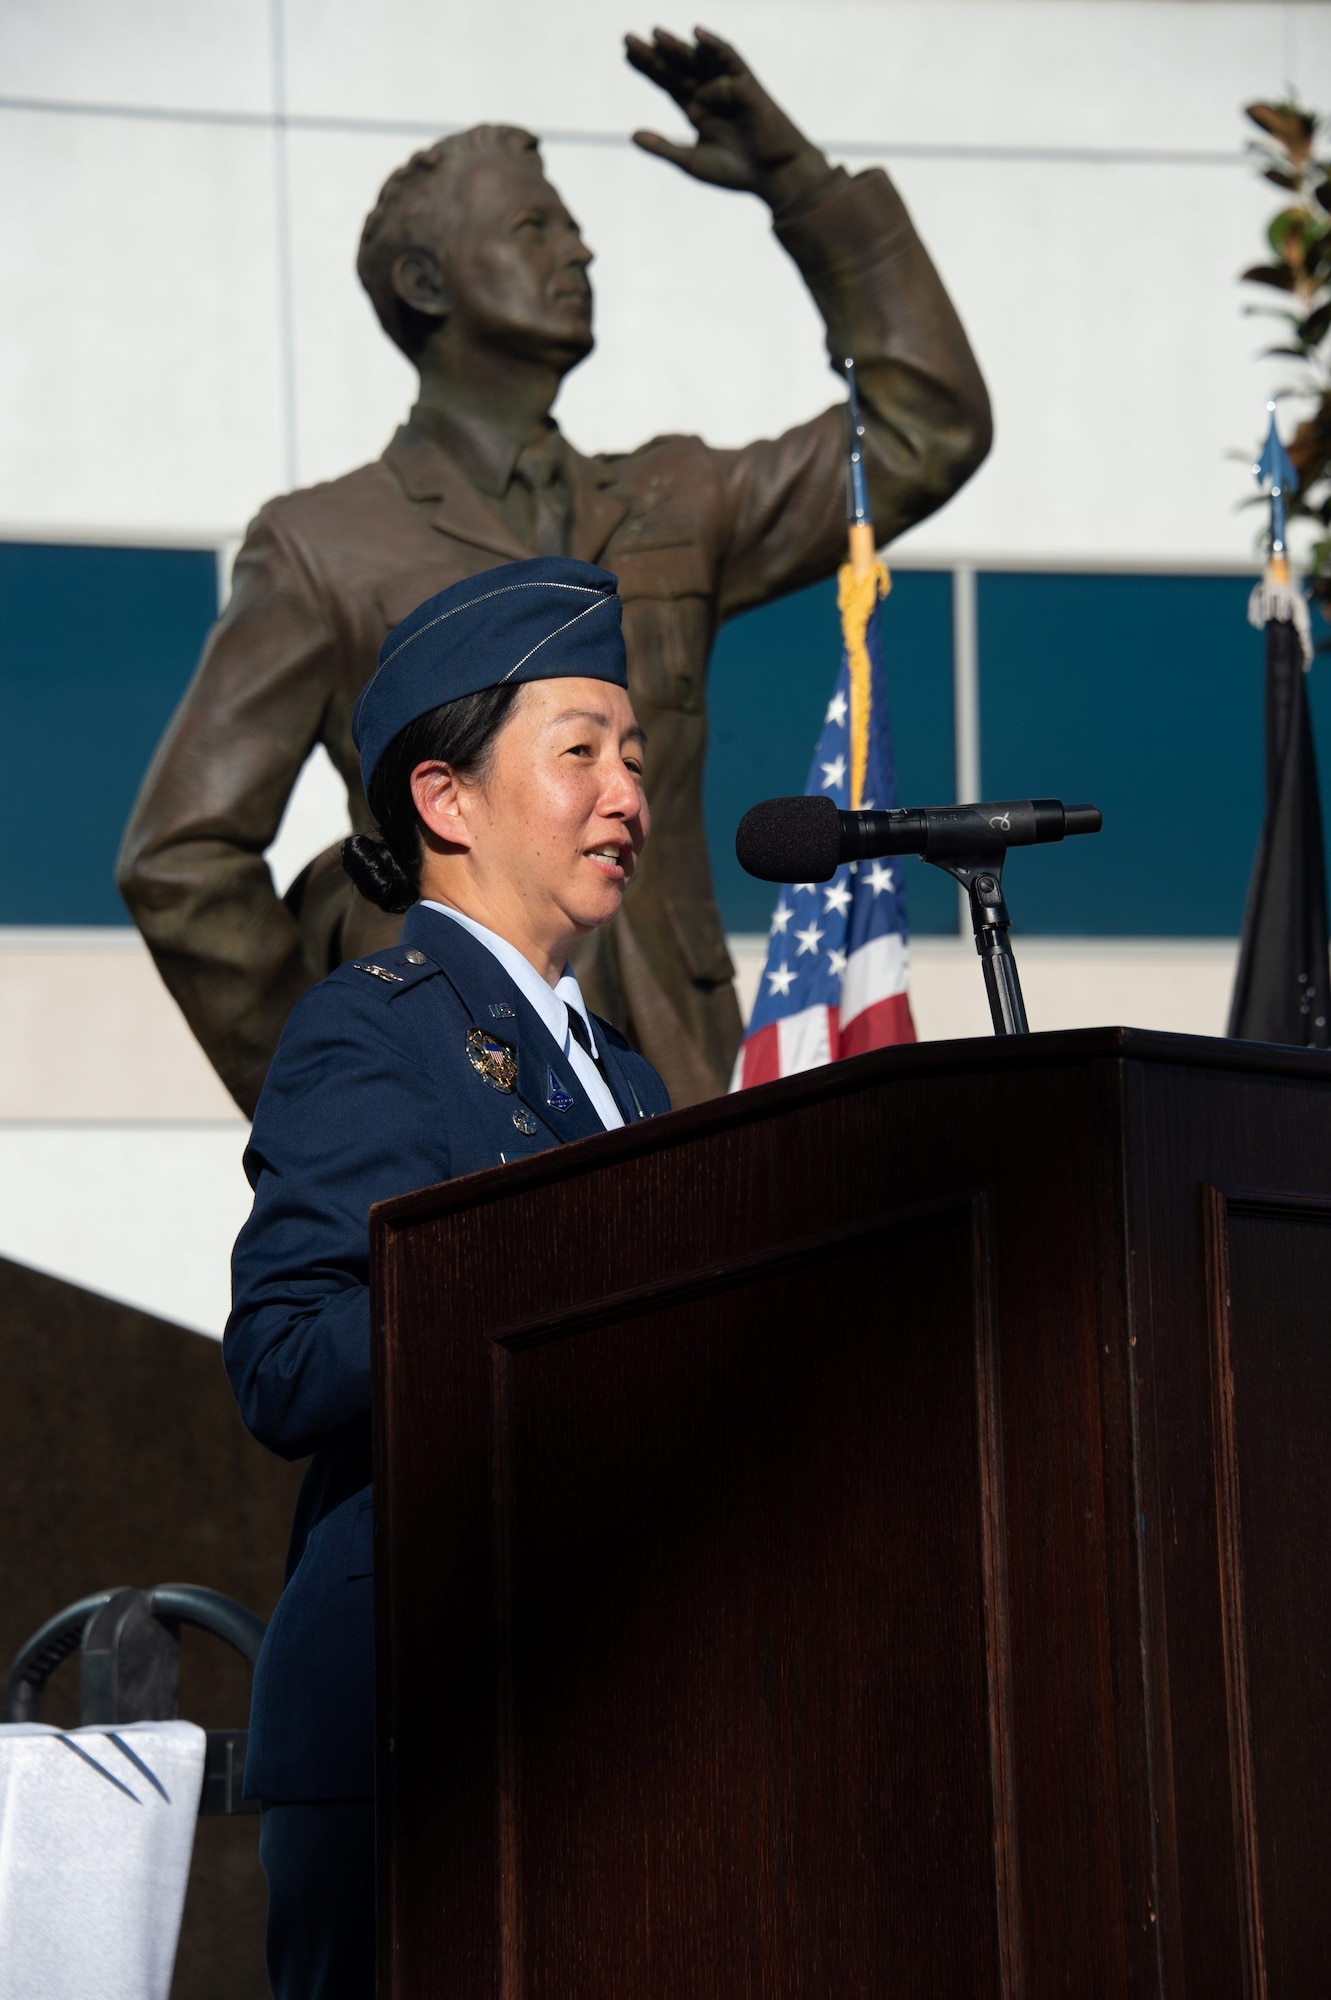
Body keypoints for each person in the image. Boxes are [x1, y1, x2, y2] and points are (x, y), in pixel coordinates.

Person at [117, 26, 991, 1117]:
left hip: (677, 1079)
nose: (576, 254)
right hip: (458, 1098)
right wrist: (331, 1090)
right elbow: (181, 855)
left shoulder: (675, 496)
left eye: (572, 231)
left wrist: (796, 186)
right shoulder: (325, 542)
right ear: (424, 280)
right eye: (533, 229)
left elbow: (927, 425)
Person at [224, 556, 670, 1999]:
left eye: (635, 756)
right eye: (582, 752)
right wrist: (530, 1272)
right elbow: (286, 1355)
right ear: (445, 799)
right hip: (417, 1719)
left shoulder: (632, 1081)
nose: (627, 797)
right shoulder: (374, 1034)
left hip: (621, 1711)